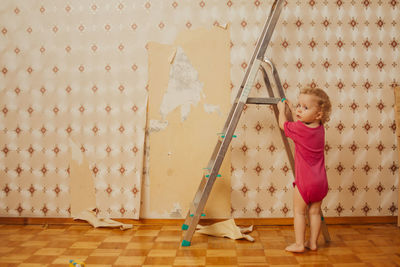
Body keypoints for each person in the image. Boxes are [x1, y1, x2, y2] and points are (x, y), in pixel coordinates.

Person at [277, 87, 331, 252]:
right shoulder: (320, 128)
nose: (300, 109)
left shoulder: (299, 130)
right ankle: (312, 243)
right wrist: (295, 109)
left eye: (305, 107)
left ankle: (300, 244)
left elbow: (283, 125)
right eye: (299, 105)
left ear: (318, 114)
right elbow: (301, 122)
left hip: (305, 182)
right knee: (314, 212)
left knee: (299, 212)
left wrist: (282, 110)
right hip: (321, 182)